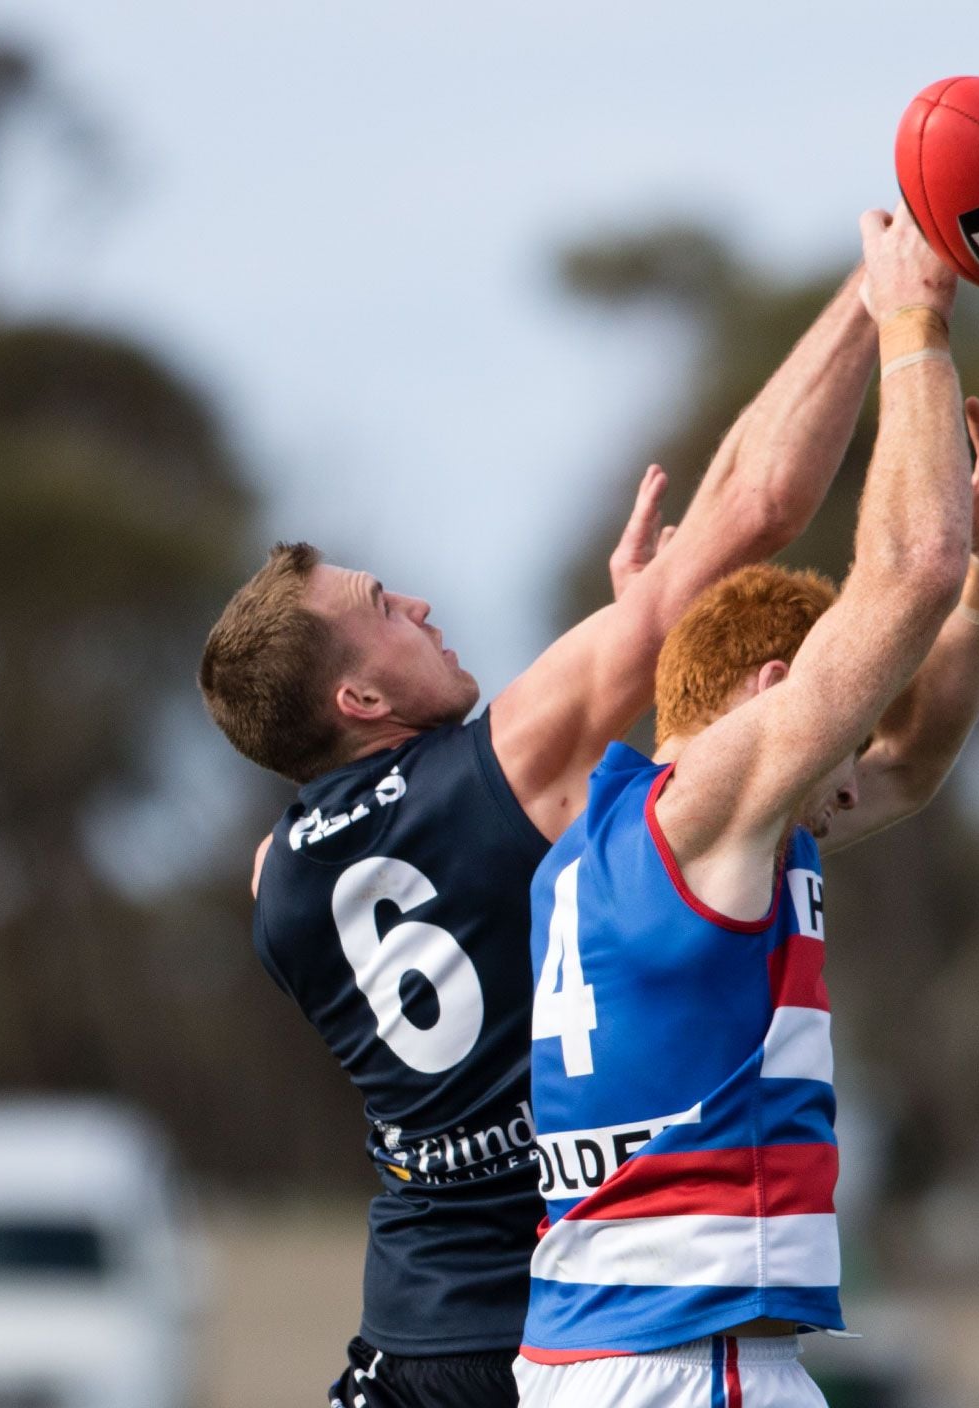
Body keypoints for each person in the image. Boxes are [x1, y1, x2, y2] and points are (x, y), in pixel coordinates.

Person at [199, 264, 883, 1408]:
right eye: (379, 608)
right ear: (357, 702)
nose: (415, 604)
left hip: (406, 1338)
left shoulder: (273, 878)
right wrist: (878, 286)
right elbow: (758, 507)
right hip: (560, 1337)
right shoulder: (511, 760)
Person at [515, 205, 979, 1406]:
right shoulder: (711, 810)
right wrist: (913, 324)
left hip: (596, 1361)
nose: (852, 751)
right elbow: (902, 574)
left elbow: (910, 767)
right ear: (774, 696)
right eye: (836, 716)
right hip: (684, 1364)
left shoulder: (624, 839)